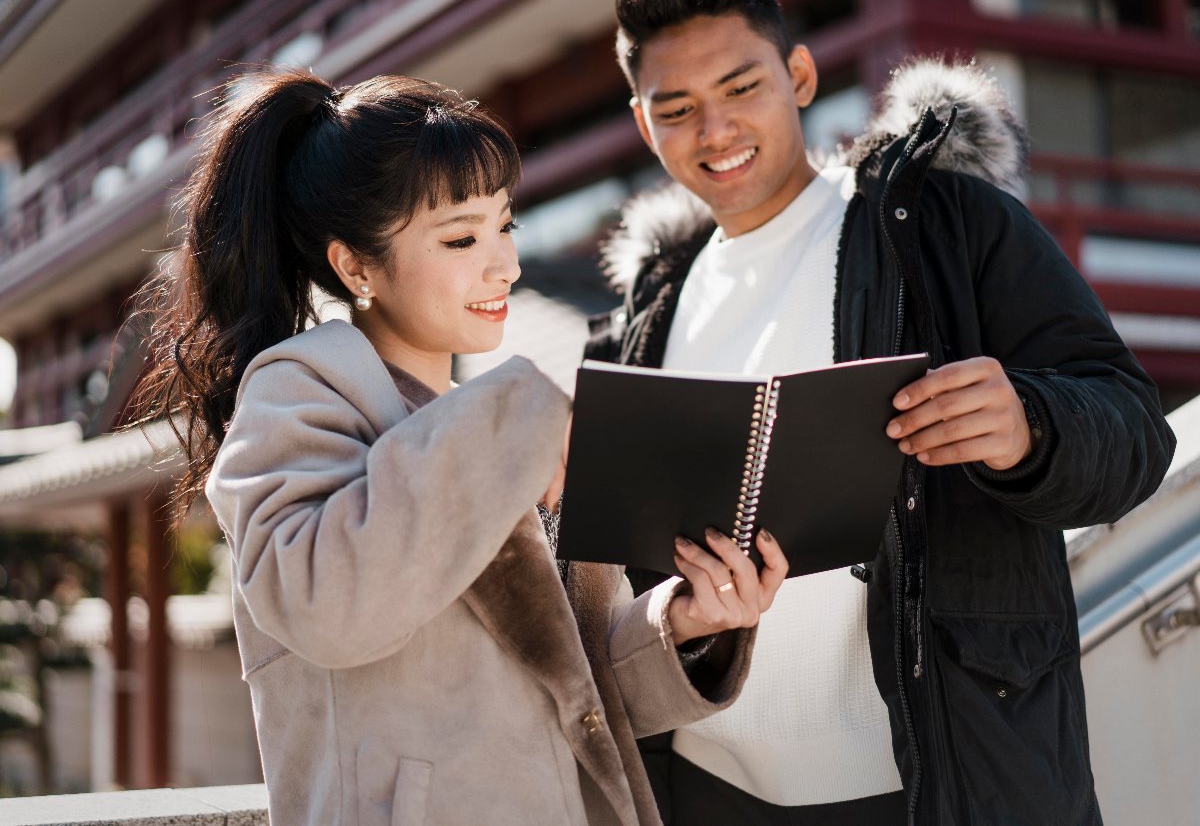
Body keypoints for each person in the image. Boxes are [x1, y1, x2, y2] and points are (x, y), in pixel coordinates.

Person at [585, 0, 1176, 825]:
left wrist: (1030, 426)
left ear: (800, 75)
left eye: (742, 89)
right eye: (677, 108)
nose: (715, 131)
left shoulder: (941, 225)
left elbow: (1136, 431)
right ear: (643, 123)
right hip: (706, 783)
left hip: (931, 777)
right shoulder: (646, 311)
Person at [133, 69, 790, 825]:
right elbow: (327, 606)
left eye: (505, 225)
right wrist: (519, 416)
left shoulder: (498, 425)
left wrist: (685, 622)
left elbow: (568, 690)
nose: (504, 264)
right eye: (461, 237)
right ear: (355, 266)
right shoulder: (299, 395)